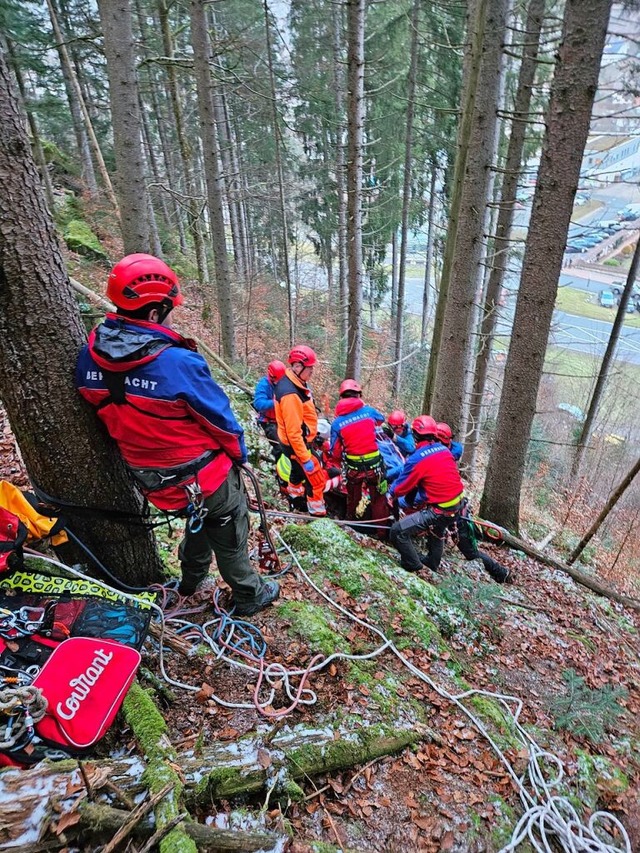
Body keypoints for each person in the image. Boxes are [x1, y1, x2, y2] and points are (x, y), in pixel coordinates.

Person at [75, 253, 279, 615]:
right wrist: (239, 457)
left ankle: (189, 580)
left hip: (150, 480)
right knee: (229, 527)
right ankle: (250, 593)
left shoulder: (89, 356)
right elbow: (222, 423)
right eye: (170, 309)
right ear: (155, 313)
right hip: (204, 476)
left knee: (201, 518)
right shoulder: (178, 364)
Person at [388, 416, 511, 583]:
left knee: (398, 531)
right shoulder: (445, 452)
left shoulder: (419, 458)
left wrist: (392, 494)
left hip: (443, 510)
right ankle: (431, 564)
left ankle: (414, 567)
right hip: (457, 507)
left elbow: (405, 484)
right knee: (437, 532)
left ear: (416, 436)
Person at [329, 380, 388, 537]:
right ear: (358, 395)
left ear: (341, 397)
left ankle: (350, 522)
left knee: (353, 497)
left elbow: (334, 452)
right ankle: (381, 532)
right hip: (375, 466)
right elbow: (381, 419)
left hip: (354, 469)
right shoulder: (369, 412)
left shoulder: (337, 423)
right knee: (378, 499)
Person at [274, 345, 327, 515]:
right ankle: (316, 513)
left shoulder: (295, 383)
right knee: (317, 479)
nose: (312, 372)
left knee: (296, 473)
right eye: (309, 368)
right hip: (298, 444)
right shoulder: (291, 394)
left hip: (294, 443)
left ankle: (295, 498)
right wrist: (305, 458)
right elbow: (293, 432)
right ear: (297, 366)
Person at [253, 360, 286, 460]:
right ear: (272, 377)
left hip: (281, 420)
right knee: (280, 447)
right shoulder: (264, 385)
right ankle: (277, 466)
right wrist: (276, 402)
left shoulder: (284, 382)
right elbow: (258, 403)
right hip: (268, 422)